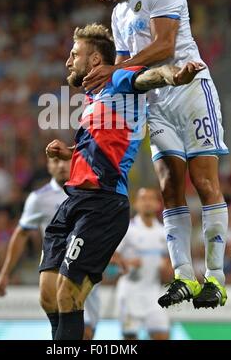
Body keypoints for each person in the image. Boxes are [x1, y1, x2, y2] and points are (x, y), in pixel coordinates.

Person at [39, 22, 205, 340]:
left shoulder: (118, 79)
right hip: (73, 201)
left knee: (67, 295)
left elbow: (148, 77)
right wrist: (70, 151)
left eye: (74, 54)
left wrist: (175, 75)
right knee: (48, 294)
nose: (68, 61)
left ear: (95, 61)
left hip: (103, 203)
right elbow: (102, 143)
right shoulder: (94, 96)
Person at [85, 0, 229, 309]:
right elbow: (122, 67)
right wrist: (103, 80)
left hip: (191, 89)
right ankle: (184, 275)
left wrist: (117, 70)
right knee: (169, 187)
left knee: (205, 183)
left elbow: (165, 45)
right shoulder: (118, 13)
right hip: (156, 101)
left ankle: (215, 277)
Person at [0, 157, 99, 340]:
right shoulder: (39, 198)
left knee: (85, 333)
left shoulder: (90, 192)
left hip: (84, 266)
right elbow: (21, 233)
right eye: (56, 161)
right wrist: (5, 272)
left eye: (67, 160)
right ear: (49, 166)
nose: (61, 165)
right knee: (72, 328)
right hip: (55, 266)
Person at [114, 187, 171, 340]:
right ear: (136, 204)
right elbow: (111, 258)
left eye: (151, 198)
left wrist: (167, 271)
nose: (147, 202)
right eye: (143, 199)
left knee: (162, 335)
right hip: (130, 292)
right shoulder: (127, 229)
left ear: (158, 204)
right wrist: (126, 263)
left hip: (154, 292)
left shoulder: (164, 232)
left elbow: (168, 263)